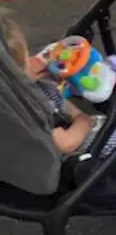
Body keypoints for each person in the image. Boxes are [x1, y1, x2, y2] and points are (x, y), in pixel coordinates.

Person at [0, 13, 95, 155]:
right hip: (101, 154)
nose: (34, 60)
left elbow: (74, 112)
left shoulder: (43, 89)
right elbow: (66, 142)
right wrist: (87, 121)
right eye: (27, 59)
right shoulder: (22, 118)